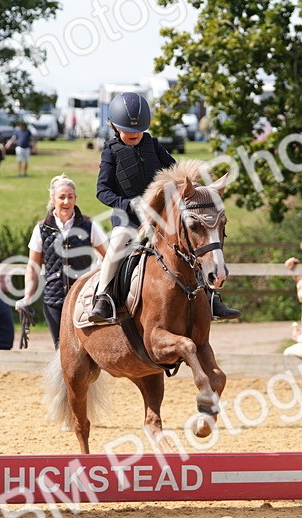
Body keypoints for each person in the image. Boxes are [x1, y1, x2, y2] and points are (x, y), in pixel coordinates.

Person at [89, 92, 240, 323]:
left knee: (191, 244)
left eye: (138, 130)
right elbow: (102, 191)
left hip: (160, 218)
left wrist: (198, 191)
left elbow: (177, 173)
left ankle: (212, 297)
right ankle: (103, 297)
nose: (134, 134)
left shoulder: (152, 144)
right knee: (116, 246)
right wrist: (128, 203)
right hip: (129, 218)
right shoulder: (110, 152)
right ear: (113, 126)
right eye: (128, 130)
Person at [16, 174, 108, 347]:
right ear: (53, 199)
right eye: (62, 197)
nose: (66, 201)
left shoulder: (89, 225)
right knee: (61, 349)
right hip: (54, 299)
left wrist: (98, 273)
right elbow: (33, 267)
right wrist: (27, 297)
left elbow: (109, 256)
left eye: (70, 197)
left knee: (86, 347)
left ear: (75, 198)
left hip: (84, 298)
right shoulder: (41, 229)